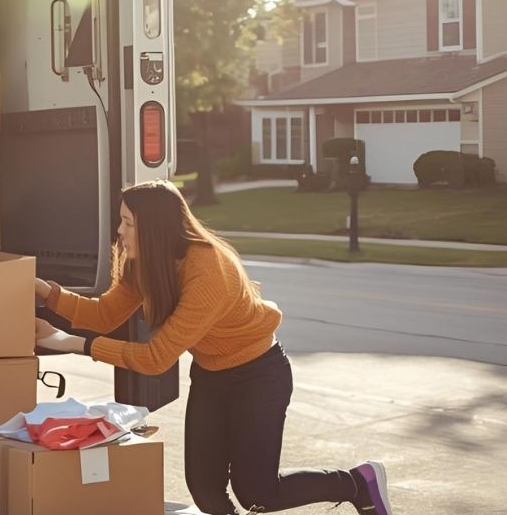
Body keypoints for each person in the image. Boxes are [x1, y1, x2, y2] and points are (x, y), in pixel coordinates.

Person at [33, 181, 394, 515]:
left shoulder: (207, 270)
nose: (119, 231)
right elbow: (104, 314)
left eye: (127, 222)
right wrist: (46, 293)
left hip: (259, 375)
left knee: (257, 492)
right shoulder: (145, 261)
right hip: (210, 376)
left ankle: (357, 483)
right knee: (205, 491)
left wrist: (68, 342)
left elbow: (156, 358)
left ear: (154, 228)